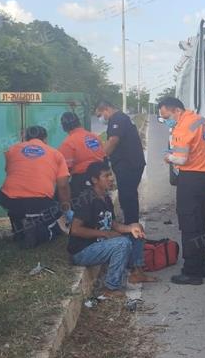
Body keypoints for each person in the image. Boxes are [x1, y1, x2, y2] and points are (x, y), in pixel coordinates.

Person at [158, 97, 205, 285]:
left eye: (165, 116)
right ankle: (202, 265)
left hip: (191, 178)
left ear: (176, 110)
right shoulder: (201, 120)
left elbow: (181, 159)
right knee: (199, 223)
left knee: (189, 225)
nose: (165, 120)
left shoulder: (183, 127)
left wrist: (168, 157)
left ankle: (192, 272)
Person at [95, 100, 155, 283]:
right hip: (130, 166)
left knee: (129, 208)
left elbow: (113, 140)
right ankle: (132, 237)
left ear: (106, 109)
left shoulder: (117, 118)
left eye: (100, 115)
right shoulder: (122, 119)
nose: (101, 118)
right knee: (128, 203)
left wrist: (99, 159)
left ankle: (135, 255)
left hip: (128, 167)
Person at [68, 161, 147, 297]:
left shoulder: (106, 198)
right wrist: (104, 234)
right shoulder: (87, 199)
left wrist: (131, 228)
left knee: (136, 232)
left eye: (111, 175)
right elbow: (75, 230)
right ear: (94, 180)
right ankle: (110, 287)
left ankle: (137, 273)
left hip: (100, 243)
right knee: (122, 243)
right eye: (106, 176)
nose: (111, 178)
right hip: (83, 251)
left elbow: (113, 223)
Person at [0, 126, 72, 247]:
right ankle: (39, 233)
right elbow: (63, 185)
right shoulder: (56, 154)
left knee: (18, 209)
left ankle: (19, 228)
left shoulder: (12, 150)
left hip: (8, 199)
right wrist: (65, 208)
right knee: (54, 221)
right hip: (39, 202)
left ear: (25, 138)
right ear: (45, 139)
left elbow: (9, 170)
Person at [58, 112, 106, 198]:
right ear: (79, 122)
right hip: (100, 178)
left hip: (82, 181)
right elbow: (104, 156)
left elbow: (65, 171)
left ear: (64, 127)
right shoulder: (94, 137)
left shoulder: (68, 143)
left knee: (84, 208)